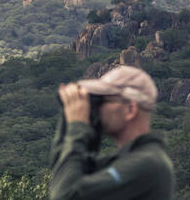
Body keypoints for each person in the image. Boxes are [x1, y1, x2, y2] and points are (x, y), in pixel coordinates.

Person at [49, 66, 174, 200]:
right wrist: (68, 116)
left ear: (130, 109)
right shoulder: (129, 158)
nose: (98, 109)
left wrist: (78, 127)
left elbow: (65, 195)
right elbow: (63, 174)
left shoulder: (149, 164)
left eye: (102, 101)